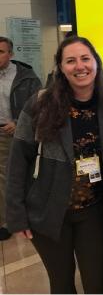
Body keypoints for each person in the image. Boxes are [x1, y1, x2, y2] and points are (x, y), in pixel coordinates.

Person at [6, 36, 103, 293]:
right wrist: (16, 215)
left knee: (97, 283)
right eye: (70, 61)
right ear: (60, 67)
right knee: (61, 284)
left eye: (85, 59)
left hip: (94, 211)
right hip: (48, 211)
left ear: (96, 63)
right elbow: (19, 161)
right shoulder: (40, 104)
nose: (79, 66)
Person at [0, 36, 42, 241]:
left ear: (11, 54)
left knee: (7, 176)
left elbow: (37, 106)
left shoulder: (26, 77)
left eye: (1, 52)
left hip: (13, 132)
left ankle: (7, 221)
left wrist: (18, 122)